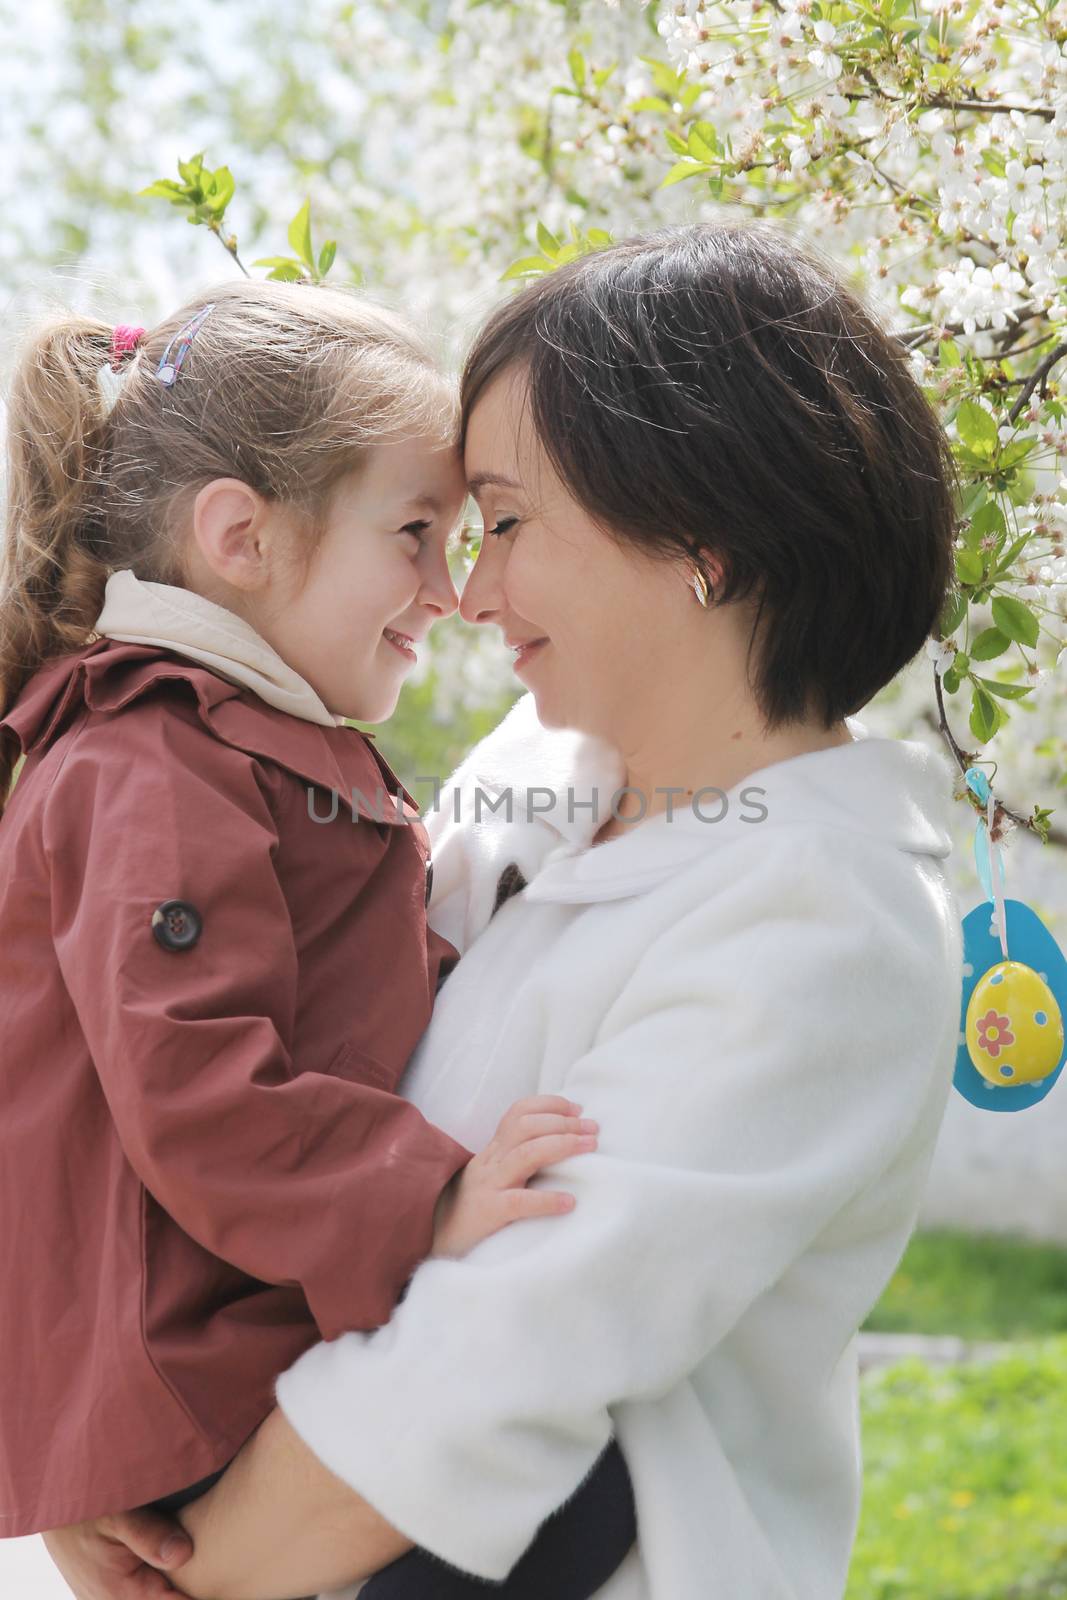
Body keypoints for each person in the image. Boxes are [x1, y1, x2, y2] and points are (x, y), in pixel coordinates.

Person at [42, 218, 964, 1600]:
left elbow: (492, 1366)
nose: (466, 593)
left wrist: (184, 1566)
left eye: (507, 525)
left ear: (701, 541)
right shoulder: (535, 779)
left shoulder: (828, 920)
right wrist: (85, 1451)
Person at [0, 281, 633, 1597]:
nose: (450, 591)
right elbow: (201, 1091)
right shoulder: (148, 766)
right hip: (202, 1376)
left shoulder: (241, 750)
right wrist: (434, 1197)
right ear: (242, 537)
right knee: (582, 1482)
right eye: (415, 533)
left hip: (227, 1344)